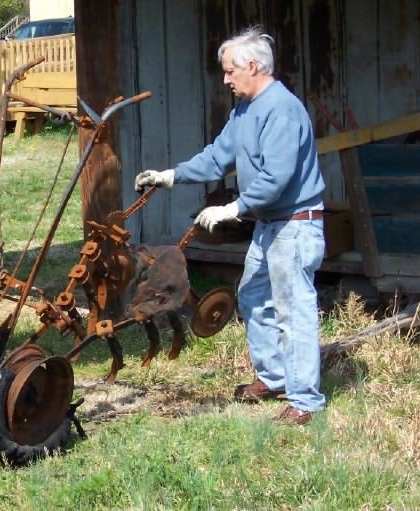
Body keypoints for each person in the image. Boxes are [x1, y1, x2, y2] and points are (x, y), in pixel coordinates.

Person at [135, 26, 326, 425]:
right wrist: (172, 175)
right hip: (270, 226)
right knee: (254, 297)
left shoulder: (282, 110)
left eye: (229, 71)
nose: (225, 79)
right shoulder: (245, 110)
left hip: (294, 224)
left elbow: (278, 177)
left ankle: (305, 400)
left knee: (294, 311)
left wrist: (233, 207)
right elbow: (218, 156)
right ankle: (274, 379)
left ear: (253, 66)